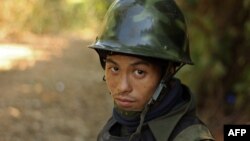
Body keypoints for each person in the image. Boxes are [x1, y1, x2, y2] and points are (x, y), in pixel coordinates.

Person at [89, 0, 214, 140]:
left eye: (139, 72)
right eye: (115, 68)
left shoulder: (190, 137)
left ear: (168, 71)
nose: (123, 87)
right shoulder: (116, 126)